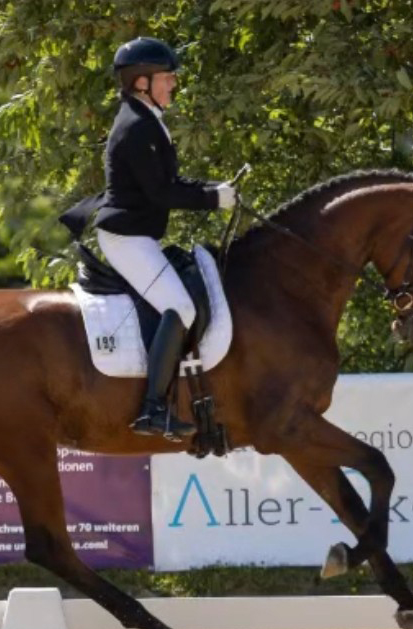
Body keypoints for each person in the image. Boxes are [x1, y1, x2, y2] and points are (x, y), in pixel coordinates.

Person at [91, 37, 237, 441]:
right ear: (142, 82)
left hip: (137, 234)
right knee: (181, 307)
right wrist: (212, 199)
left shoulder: (146, 117)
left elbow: (168, 183)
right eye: (167, 77)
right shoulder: (137, 126)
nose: (173, 84)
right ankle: (153, 410)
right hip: (126, 238)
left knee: (179, 303)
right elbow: (161, 193)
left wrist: (214, 188)